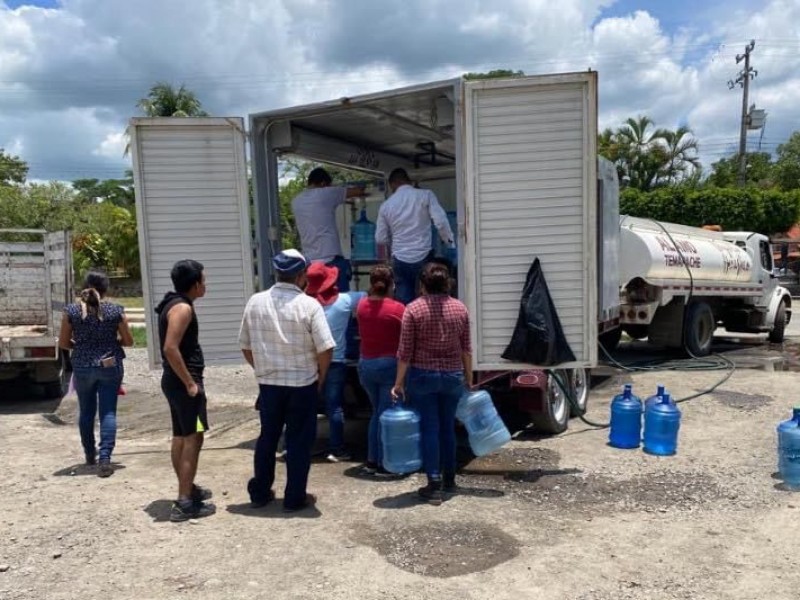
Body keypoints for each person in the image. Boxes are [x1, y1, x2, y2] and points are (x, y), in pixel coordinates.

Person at [239, 249, 336, 512]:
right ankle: (294, 497)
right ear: (302, 275)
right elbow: (326, 348)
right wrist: (320, 378)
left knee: (267, 438)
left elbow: (245, 346)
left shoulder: (255, 302)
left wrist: (262, 369)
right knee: (299, 442)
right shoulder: (309, 305)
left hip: (269, 385)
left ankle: (260, 491)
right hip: (302, 384)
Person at [391, 262, 473, 505]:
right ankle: (450, 480)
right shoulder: (460, 309)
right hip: (452, 376)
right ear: (447, 283)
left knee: (429, 428)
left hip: (423, 376)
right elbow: (466, 349)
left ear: (423, 285)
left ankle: (433, 483)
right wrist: (468, 376)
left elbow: (404, 352)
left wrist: (398, 383)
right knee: (448, 428)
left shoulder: (413, 310)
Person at [155, 259, 215, 522]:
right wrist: (191, 383)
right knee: (193, 438)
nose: (206, 284)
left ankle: (188, 488)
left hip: (174, 382)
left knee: (181, 436)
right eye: (204, 279)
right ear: (194, 284)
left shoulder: (173, 302)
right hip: (184, 385)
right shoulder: (182, 308)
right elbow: (170, 347)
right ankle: (184, 502)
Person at [59, 271, 133, 478]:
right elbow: (128, 341)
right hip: (110, 365)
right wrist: (111, 343)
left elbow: (64, 343)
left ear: (83, 287)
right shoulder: (115, 310)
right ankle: (105, 458)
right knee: (108, 412)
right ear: (106, 289)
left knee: (86, 411)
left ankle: (90, 455)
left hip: (82, 366)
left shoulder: (71, 311)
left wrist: (82, 346)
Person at [304, 262, 365, 462]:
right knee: (335, 406)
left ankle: (299, 445)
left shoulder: (304, 304)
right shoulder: (346, 301)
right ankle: (336, 448)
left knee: (306, 406)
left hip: (309, 361)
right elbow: (369, 296)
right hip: (335, 361)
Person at [375, 168, 454, 305]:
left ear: (392, 184)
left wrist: (393, 242)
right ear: (408, 180)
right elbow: (440, 222)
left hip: (399, 259)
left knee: (404, 303)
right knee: (427, 301)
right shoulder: (425, 195)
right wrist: (450, 243)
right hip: (423, 256)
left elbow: (380, 238)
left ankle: (406, 326)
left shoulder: (386, 206)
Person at [356, 265, 405, 476]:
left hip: (366, 365)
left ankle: (371, 460)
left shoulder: (361, 306)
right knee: (386, 415)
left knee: (377, 412)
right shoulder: (398, 309)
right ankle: (384, 463)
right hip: (389, 366)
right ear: (391, 284)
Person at [291, 167, 365, 292]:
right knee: (339, 299)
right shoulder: (326, 193)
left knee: (316, 299)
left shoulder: (296, 200)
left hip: (309, 261)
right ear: (324, 184)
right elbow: (359, 191)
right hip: (331, 259)